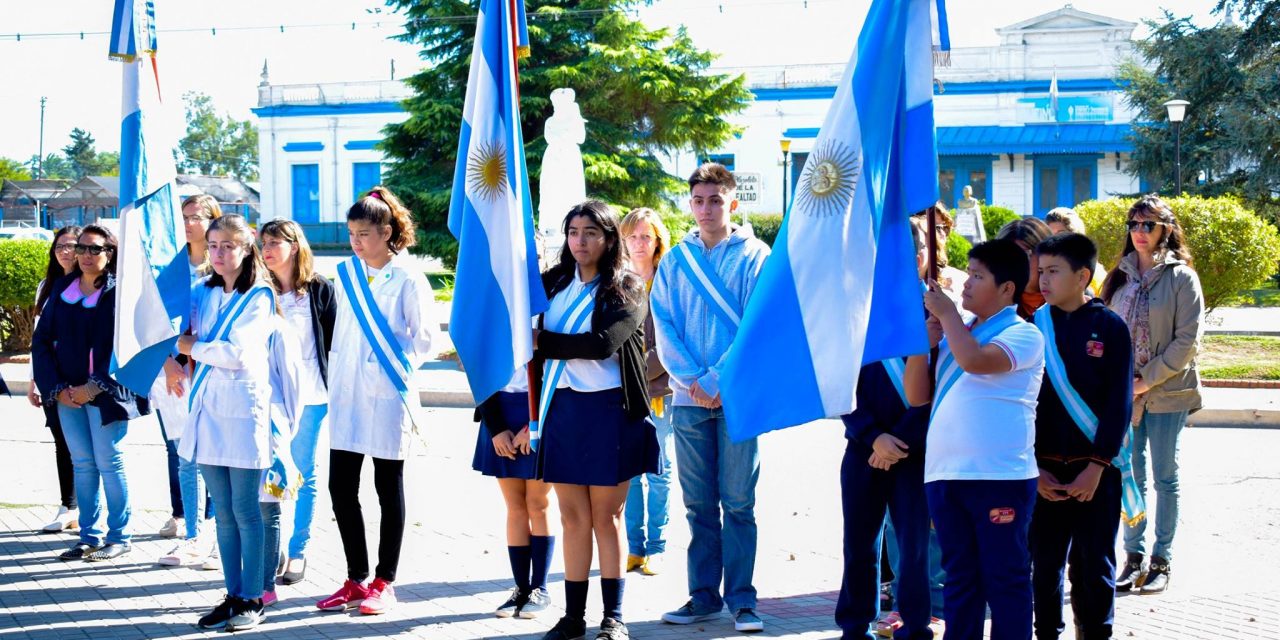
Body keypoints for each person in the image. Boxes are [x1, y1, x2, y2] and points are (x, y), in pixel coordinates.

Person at [650, 163, 771, 634]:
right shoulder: (676, 260)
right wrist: (691, 378)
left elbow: (757, 327)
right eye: (698, 200)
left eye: (715, 200)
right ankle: (703, 597)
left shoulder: (756, 257)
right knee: (698, 505)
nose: (706, 209)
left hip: (737, 398)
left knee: (739, 502)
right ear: (689, 203)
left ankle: (743, 600)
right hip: (686, 399)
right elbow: (663, 322)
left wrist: (717, 379)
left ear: (733, 203)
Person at [904, 239, 1045, 640]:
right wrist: (922, 345)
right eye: (968, 273)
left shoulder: (1023, 334)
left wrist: (947, 316)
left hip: (1000, 477)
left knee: (1005, 576)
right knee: (960, 578)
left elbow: (977, 362)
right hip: (946, 475)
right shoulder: (956, 334)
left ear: (1007, 289)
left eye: (979, 276)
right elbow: (917, 396)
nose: (966, 284)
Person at [534, 200, 658, 640]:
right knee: (572, 518)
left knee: (608, 518)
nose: (580, 241)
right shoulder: (552, 283)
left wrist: (541, 341)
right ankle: (572, 617)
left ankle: (614, 617)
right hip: (563, 410)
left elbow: (602, 344)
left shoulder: (626, 286)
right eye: (573, 232)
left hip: (611, 412)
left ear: (609, 239)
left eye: (591, 232)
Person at [317, 186, 436, 616]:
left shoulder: (408, 278)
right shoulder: (345, 274)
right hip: (347, 394)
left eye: (364, 233)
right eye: (351, 232)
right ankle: (354, 577)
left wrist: (387, 368)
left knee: (388, 488)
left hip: (387, 394)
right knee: (341, 488)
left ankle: (385, 581)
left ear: (387, 232)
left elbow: (424, 339)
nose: (356, 241)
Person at [1030, 233, 1134, 639]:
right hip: (1044, 473)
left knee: (1094, 565)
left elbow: (1118, 404)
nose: (1044, 280)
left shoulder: (1110, 327)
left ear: (1083, 276)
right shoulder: (1031, 328)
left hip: (1097, 474)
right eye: (1041, 271)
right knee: (1044, 564)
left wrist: (1097, 466)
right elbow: (1023, 407)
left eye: (1054, 271)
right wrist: (1035, 467)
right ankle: (1046, 633)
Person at [1100, 195, 1204, 595]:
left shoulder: (1181, 278)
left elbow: (1186, 341)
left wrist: (1145, 381)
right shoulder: (1119, 277)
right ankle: (1134, 557)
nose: (1140, 233)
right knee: (1130, 475)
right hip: (1124, 395)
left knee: (1165, 476)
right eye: (1134, 225)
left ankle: (1162, 559)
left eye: (1149, 225)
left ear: (1166, 229)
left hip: (1167, 393)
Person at [178, 214, 276, 631]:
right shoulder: (201, 291)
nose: (218, 254)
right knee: (222, 514)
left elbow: (237, 354)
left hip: (242, 413)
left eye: (228, 246)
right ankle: (233, 593)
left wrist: (191, 345)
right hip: (206, 409)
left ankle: (253, 597)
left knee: (245, 510)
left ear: (247, 245)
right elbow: (177, 331)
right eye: (213, 245)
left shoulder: (260, 296)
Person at [32, 224, 149, 562]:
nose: (84, 255)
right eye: (81, 248)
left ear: (110, 254)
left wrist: (92, 387)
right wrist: (57, 389)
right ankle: (89, 537)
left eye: (94, 249)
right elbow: (41, 342)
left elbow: (125, 349)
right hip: (66, 395)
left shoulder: (119, 294)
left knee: (109, 462)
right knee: (82, 465)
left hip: (104, 394)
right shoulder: (63, 287)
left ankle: (120, 536)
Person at [259, 219, 336, 586]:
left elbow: (334, 341)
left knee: (303, 471)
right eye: (263, 243)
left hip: (311, 396)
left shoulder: (320, 289)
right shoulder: (258, 291)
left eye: (275, 242)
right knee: (271, 472)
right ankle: (273, 548)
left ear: (295, 245)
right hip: (270, 397)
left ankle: (298, 549)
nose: (267, 249)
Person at [835, 354, 934, 640]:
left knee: (913, 548)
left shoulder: (933, 324)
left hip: (914, 455)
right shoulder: (859, 321)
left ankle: (916, 627)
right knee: (858, 544)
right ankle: (855, 627)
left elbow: (937, 391)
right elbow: (840, 388)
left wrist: (898, 440)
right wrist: (873, 436)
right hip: (862, 451)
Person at [156, 194, 221, 562]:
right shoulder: (171, 267)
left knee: (216, 453)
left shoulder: (226, 265)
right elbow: (157, 319)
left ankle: (215, 530)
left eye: (196, 216)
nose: (189, 223)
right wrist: (167, 362)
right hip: (176, 371)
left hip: (213, 368)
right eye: (184, 216)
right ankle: (194, 533)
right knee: (185, 453)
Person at [472, 369, 555, 619]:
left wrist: (536, 423)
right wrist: (496, 428)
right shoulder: (492, 328)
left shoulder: (541, 327)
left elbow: (557, 371)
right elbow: (480, 372)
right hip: (500, 411)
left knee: (537, 504)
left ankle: (540, 589)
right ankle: (521, 588)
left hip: (540, 411)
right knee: (515, 506)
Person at [620, 207, 675, 577]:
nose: (639, 243)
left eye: (646, 236)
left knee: (657, 467)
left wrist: (638, 372)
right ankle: (634, 548)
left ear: (657, 241)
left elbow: (672, 339)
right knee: (629, 468)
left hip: (658, 389)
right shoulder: (617, 282)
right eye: (632, 236)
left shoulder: (668, 280)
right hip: (620, 390)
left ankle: (656, 546)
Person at [29, 225, 82, 534]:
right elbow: (36, 337)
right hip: (49, 377)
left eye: (73, 246)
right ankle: (68, 506)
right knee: (61, 442)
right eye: (60, 246)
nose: (66, 251)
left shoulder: (87, 285)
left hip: (75, 377)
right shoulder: (45, 286)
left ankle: (87, 508)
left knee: (83, 446)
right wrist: (34, 380)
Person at [997, 217, 1053, 321]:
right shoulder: (991, 306)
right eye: (1005, 257)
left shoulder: (1074, 303)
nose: (1014, 264)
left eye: (1022, 255)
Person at [1044, 207, 1106, 295]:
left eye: (1061, 234)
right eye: (1050, 235)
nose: (1054, 240)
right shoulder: (1041, 271)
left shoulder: (1096, 274)